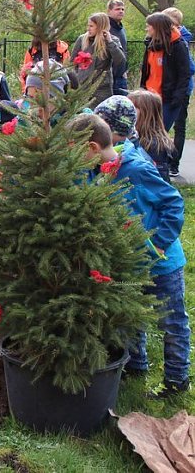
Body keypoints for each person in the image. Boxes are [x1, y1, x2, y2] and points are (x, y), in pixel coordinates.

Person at [71, 114, 189, 398]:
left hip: (162, 264)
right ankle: (136, 364)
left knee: (171, 320)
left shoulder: (133, 168)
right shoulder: (100, 171)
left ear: (91, 148)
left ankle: (176, 379)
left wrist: (158, 244)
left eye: (74, 152)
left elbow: (173, 203)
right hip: (130, 261)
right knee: (131, 313)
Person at [139, 12, 193, 131]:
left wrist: (177, 97)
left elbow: (184, 74)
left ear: (157, 27)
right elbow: (146, 70)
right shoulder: (150, 45)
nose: (146, 28)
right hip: (149, 97)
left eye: (149, 25)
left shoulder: (178, 46)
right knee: (145, 132)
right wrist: (142, 89)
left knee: (159, 133)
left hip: (168, 98)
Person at [162, 7, 195, 177]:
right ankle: (164, 159)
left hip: (181, 91)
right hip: (169, 89)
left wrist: (179, 91)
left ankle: (174, 163)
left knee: (178, 126)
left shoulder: (180, 41)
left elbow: (190, 68)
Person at [72, 12, 126, 106]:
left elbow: (120, 61)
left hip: (102, 88)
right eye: (88, 25)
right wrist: (77, 77)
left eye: (91, 26)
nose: (88, 29)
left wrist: (110, 42)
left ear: (100, 26)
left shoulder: (112, 40)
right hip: (82, 86)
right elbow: (72, 62)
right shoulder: (82, 39)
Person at [129, 90, 176, 183]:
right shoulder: (134, 137)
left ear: (146, 113)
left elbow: (157, 182)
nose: (126, 111)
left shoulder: (154, 146)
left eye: (131, 108)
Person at [108, 0, 129, 95]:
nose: (121, 11)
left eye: (122, 9)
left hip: (121, 75)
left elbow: (124, 51)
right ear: (109, 11)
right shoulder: (106, 28)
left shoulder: (121, 29)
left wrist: (124, 70)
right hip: (109, 76)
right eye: (117, 9)